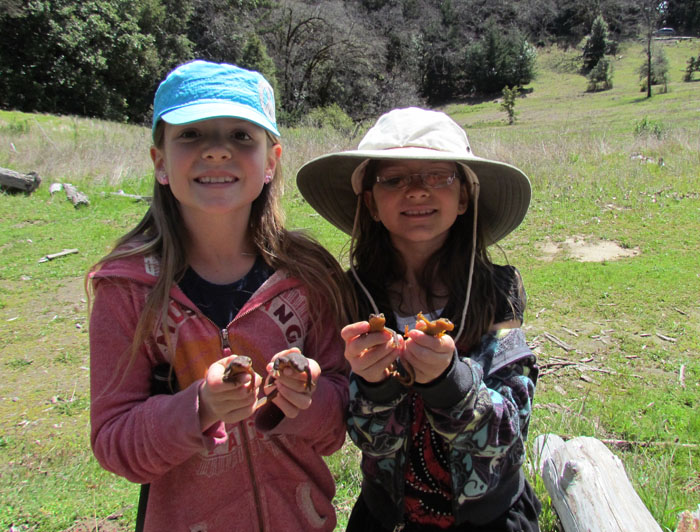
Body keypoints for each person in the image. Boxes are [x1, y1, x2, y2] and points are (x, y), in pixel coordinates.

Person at [87, 60, 354, 532]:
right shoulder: (127, 288)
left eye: (240, 136)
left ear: (271, 161)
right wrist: (200, 408)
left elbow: (338, 424)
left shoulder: (309, 275)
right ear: (160, 162)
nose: (215, 152)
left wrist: (307, 397)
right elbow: (113, 442)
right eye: (191, 135)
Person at [296, 107, 541, 531]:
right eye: (394, 179)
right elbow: (366, 439)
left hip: (492, 519)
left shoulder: (497, 295)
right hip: (389, 517)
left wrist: (451, 382)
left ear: (463, 197)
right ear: (370, 203)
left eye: (438, 176)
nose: (416, 191)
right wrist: (374, 384)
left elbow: (508, 434)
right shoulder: (352, 299)